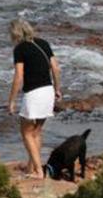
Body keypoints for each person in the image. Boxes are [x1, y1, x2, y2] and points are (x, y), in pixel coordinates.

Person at [7, 18, 62, 179]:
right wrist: (57, 89)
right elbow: (56, 68)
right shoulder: (43, 43)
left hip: (34, 94)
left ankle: (38, 171)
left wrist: (11, 100)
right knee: (36, 131)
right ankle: (32, 167)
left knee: (26, 133)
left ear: (15, 33)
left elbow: (18, 76)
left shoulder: (20, 49)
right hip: (48, 91)